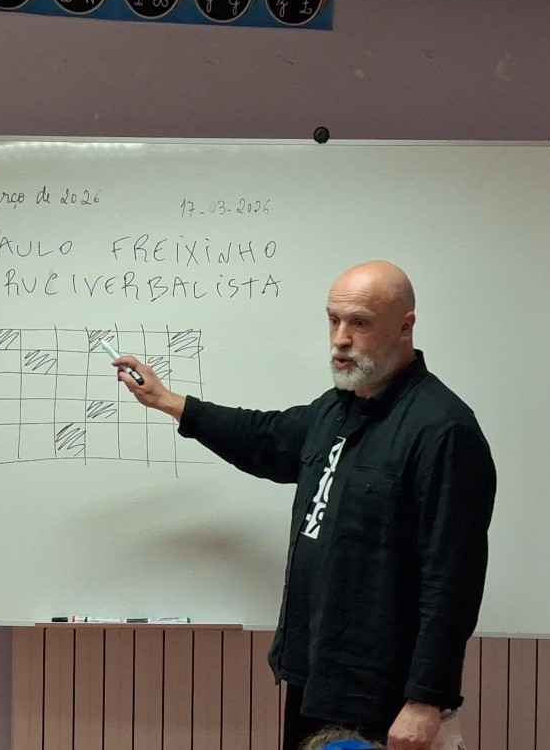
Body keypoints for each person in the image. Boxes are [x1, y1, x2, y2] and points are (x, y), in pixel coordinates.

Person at [110, 260, 496, 750]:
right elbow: (263, 437)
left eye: (359, 323)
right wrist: (167, 400)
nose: (340, 339)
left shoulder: (443, 429)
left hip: (383, 691)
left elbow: (453, 580)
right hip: (316, 672)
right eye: (333, 320)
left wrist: (426, 700)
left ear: (405, 326)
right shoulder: (337, 408)